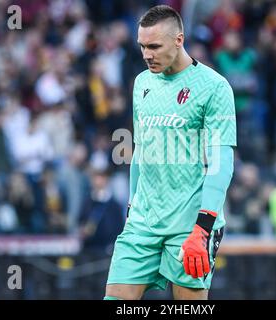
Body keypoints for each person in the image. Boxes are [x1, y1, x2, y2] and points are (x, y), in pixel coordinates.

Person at [104, 5, 236, 300]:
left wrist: (203, 227)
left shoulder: (214, 88)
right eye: (141, 46)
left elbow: (221, 163)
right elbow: (140, 152)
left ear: (179, 40)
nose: (146, 54)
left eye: (154, 46)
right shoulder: (141, 84)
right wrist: (131, 207)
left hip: (190, 226)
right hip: (142, 223)